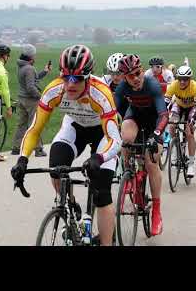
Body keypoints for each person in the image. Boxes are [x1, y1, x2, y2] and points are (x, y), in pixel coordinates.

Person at [11, 45, 121, 246]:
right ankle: (70, 208)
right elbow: (34, 129)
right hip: (74, 127)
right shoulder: (54, 90)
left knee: (102, 192)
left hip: (102, 133)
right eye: (66, 77)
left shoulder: (101, 93)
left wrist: (99, 157)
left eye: (77, 78)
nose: (70, 84)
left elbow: (115, 139)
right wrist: (22, 159)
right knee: (56, 168)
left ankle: (106, 242)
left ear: (88, 77)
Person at [115, 54, 168, 236]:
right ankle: (129, 174)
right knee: (126, 138)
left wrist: (156, 135)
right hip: (136, 118)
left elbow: (164, 114)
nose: (136, 78)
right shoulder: (122, 88)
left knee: (150, 160)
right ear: (124, 77)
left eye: (138, 73)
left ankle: (156, 212)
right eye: (131, 76)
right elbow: (113, 110)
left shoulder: (151, 84)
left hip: (155, 124)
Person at [11, 44, 52, 156]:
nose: (35, 57)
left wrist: (44, 71)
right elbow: (30, 87)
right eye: (34, 55)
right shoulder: (29, 68)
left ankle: (16, 147)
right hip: (31, 100)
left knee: (21, 124)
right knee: (35, 124)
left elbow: (33, 79)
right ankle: (38, 149)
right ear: (31, 57)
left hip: (22, 99)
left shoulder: (22, 66)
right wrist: (40, 96)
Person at [165, 65, 196, 177]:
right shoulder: (173, 85)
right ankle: (176, 146)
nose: (182, 81)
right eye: (179, 78)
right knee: (171, 125)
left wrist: (193, 118)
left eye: (185, 79)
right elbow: (165, 102)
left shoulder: (195, 87)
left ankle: (191, 164)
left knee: (189, 133)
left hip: (192, 108)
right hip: (179, 106)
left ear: (189, 79)